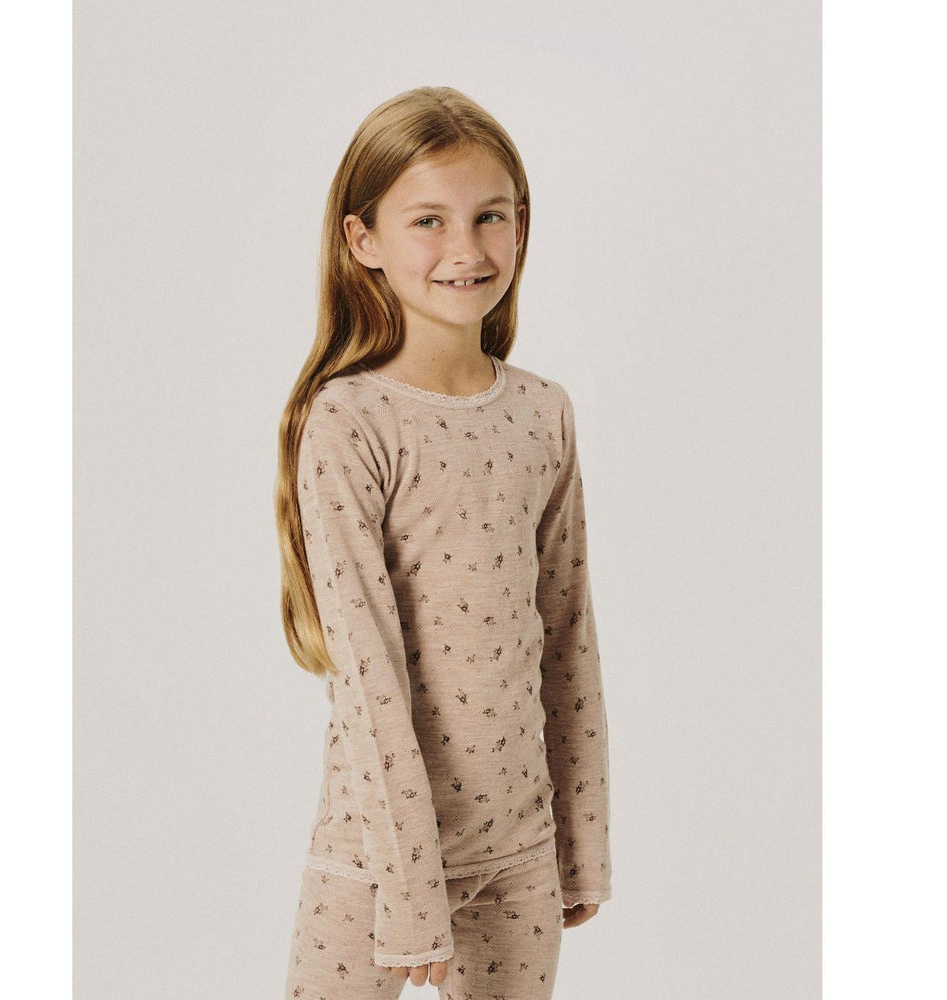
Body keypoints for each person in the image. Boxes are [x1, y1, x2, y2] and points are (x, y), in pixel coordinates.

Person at [274, 85, 612, 999]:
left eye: (489, 216)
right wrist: (411, 884)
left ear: (520, 226)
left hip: (520, 851)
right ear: (363, 240)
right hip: (376, 856)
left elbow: (566, 634)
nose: (466, 248)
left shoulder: (541, 412)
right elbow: (369, 674)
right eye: (429, 220)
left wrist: (580, 840)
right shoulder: (349, 421)